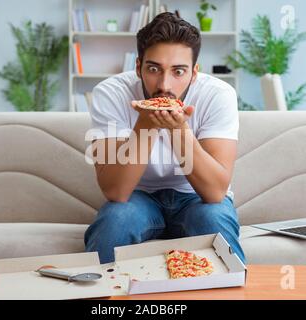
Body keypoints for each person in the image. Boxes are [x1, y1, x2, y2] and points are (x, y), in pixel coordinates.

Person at [84, 12, 246, 264]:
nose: (164, 85)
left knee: (214, 219)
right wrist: (146, 123)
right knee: (115, 220)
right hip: (138, 197)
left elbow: (215, 192)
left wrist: (178, 130)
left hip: (196, 198)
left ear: (194, 73)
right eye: (153, 69)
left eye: (178, 71)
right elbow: (115, 191)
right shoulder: (110, 93)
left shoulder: (218, 95)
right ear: (138, 67)